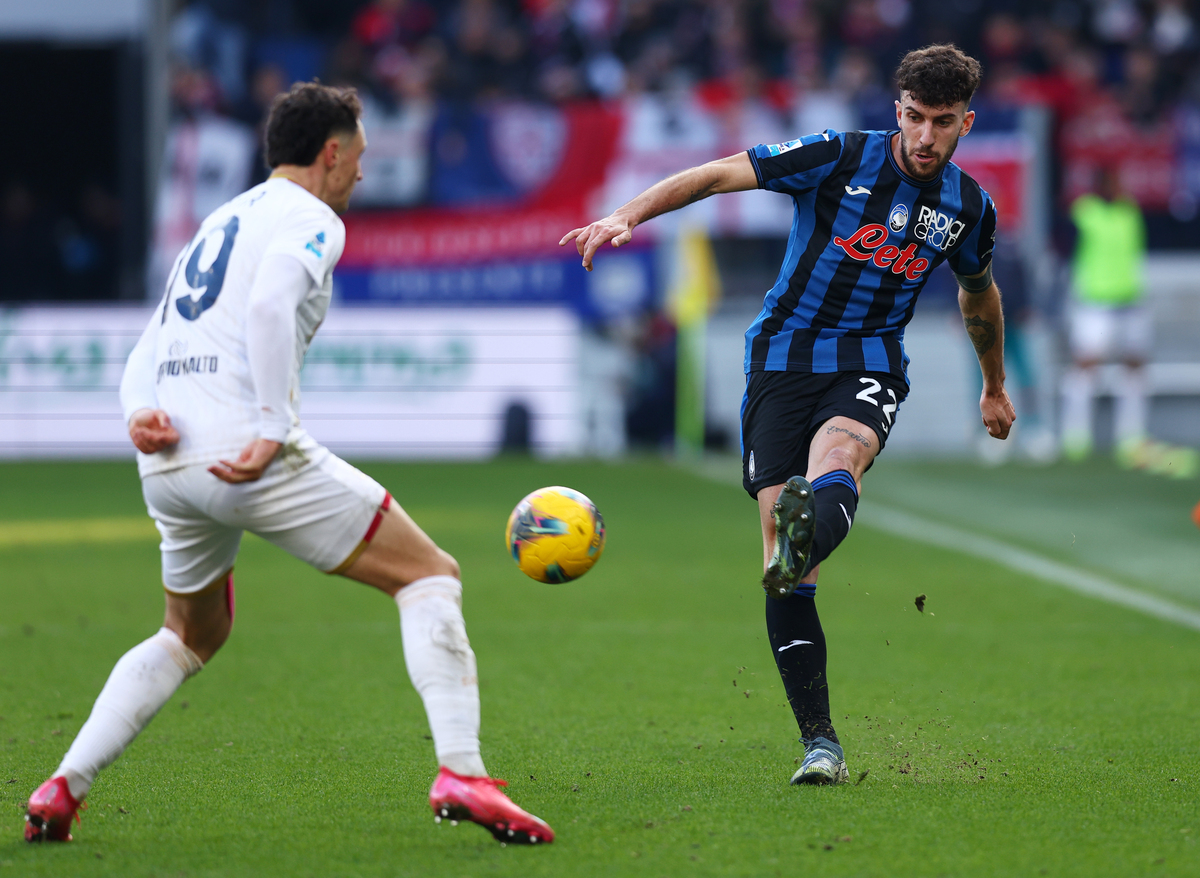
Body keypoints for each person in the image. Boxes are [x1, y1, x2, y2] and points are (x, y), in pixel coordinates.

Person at [24, 82, 553, 846]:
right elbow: (273, 306)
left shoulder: (219, 220)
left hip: (167, 460)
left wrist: (135, 412)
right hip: (244, 451)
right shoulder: (312, 218)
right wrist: (271, 428)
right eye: (360, 157)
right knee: (429, 574)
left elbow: (148, 345)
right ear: (330, 152)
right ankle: (462, 772)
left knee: (189, 632)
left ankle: (61, 788)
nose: (363, 175)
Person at [561, 44, 1014, 785]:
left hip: (867, 365)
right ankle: (821, 743)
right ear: (895, 110)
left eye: (943, 122)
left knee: (840, 455)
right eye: (914, 118)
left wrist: (993, 384)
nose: (927, 137)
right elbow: (715, 176)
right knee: (783, 570)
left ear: (967, 121)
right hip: (780, 361)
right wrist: (626, 214)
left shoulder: (969, 209)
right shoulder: (836, 156)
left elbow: (979, 293)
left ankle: (811, 523)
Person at [1060, 167, 1149, 465]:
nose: (1116, 186)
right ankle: (1076, 437)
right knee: (1085, 369)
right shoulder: (1084, 212)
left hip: (1130, 300)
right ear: (1098, 185)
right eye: (1111, 181)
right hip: (1094, 302)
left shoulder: (1130, 212)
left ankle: (1131, 438)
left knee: (1134, 369)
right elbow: (1065, 248)